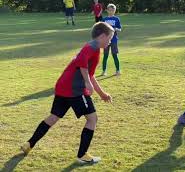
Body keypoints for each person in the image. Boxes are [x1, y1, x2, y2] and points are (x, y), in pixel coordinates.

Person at [20, 22, 115, 163]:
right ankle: (82, 155)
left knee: (53, 117)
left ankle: (29, 144)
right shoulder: (92, 46)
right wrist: (87, 83)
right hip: (74, 89)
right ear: (102, 36)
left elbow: (90, 74)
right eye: (109, 38)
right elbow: (82, 61)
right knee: (92, 119)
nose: (110, 41)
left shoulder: (93, 48)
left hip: (63, 86)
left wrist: (101, 93)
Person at [102, 4, 122, 76]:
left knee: (114, 55)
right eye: (109, 10)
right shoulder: (104, 19)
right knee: (105, 55)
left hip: (114, 40)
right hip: (106, 40)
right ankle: (104, 71)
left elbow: (119, 29)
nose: (111, 12)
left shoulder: (116, 19)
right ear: (107, 10)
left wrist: (116, 29)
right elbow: (101, 29)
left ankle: (118, 70)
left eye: (112, 10)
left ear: (114, 11)